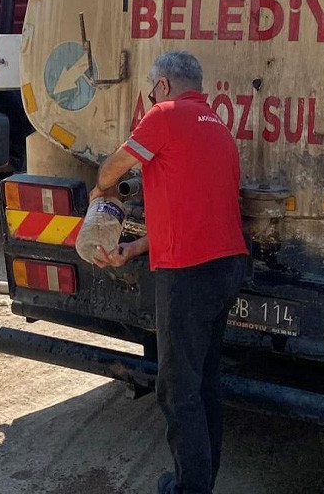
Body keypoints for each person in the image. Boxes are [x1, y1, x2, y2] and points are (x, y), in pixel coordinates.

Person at [86, 51, 249, 494]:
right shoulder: (219, 130)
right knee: (203, 383)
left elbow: (112, 169)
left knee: (177, 392)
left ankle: (190, 488)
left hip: (189, 276)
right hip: (226, 266)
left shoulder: (164, 115)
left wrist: (101, 192)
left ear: (161, 87)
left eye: (149, 90)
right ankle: (201, 480)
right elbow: (190, 215)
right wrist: (133, 247)